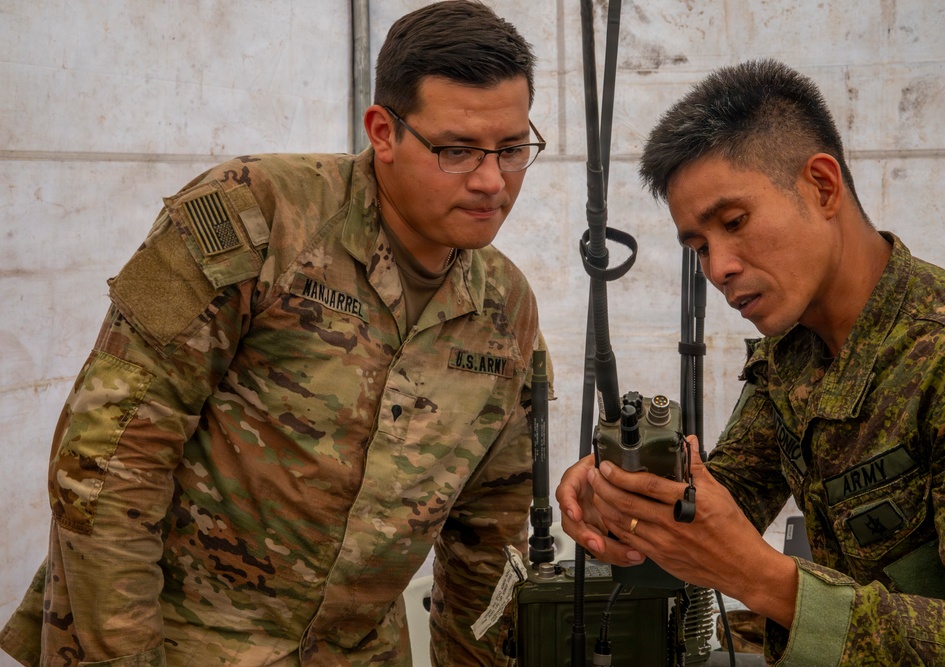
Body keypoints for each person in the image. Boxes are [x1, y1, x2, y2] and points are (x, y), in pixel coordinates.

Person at [0, 2, 549, 665]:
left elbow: (491, 535)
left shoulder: (506, 309)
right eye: (456, 150)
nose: (491, 181)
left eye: (511, 150)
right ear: (383, 132)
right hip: (181, 644)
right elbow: (107, 456)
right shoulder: (253, 213)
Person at [556, 59, 945, 665]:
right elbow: (729, 500)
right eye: (699, 247)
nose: (719, 268)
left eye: (735, 222)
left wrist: (763, 580)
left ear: (822, 186)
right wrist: (624, 495)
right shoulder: (789, 352)